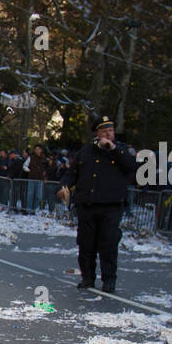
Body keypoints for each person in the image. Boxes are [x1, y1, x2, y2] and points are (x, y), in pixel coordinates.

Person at [59, 115, 138, 293]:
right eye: (105, 131)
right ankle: (87, 277)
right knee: (86, 244)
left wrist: (113, 150)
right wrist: (63, 187)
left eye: (111, 130)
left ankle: (109, 279)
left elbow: (132, 166)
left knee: (108, 244)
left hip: (111, 206)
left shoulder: (123, 151)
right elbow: (72, 174)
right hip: (87, 205)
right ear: (97, 133)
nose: (108, 134)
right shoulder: (85, 152)